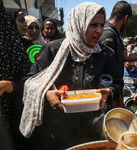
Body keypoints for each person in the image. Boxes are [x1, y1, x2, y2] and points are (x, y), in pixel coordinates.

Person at [19, 2, 123, 150]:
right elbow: (28, 81)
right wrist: (47, 93)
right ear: (78, 23)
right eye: (93, 25)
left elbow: (118, 83)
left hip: (92, 127)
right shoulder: (53, 49)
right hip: (58, 130)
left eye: (101, 25)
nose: (99, 31)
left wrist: (109, 91)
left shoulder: (106, 54)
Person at [0, 1, 32, 149]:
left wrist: (10, 85)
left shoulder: (14, 46)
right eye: (21, 21)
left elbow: (29, 82)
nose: (26, 25)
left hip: (11, 116)